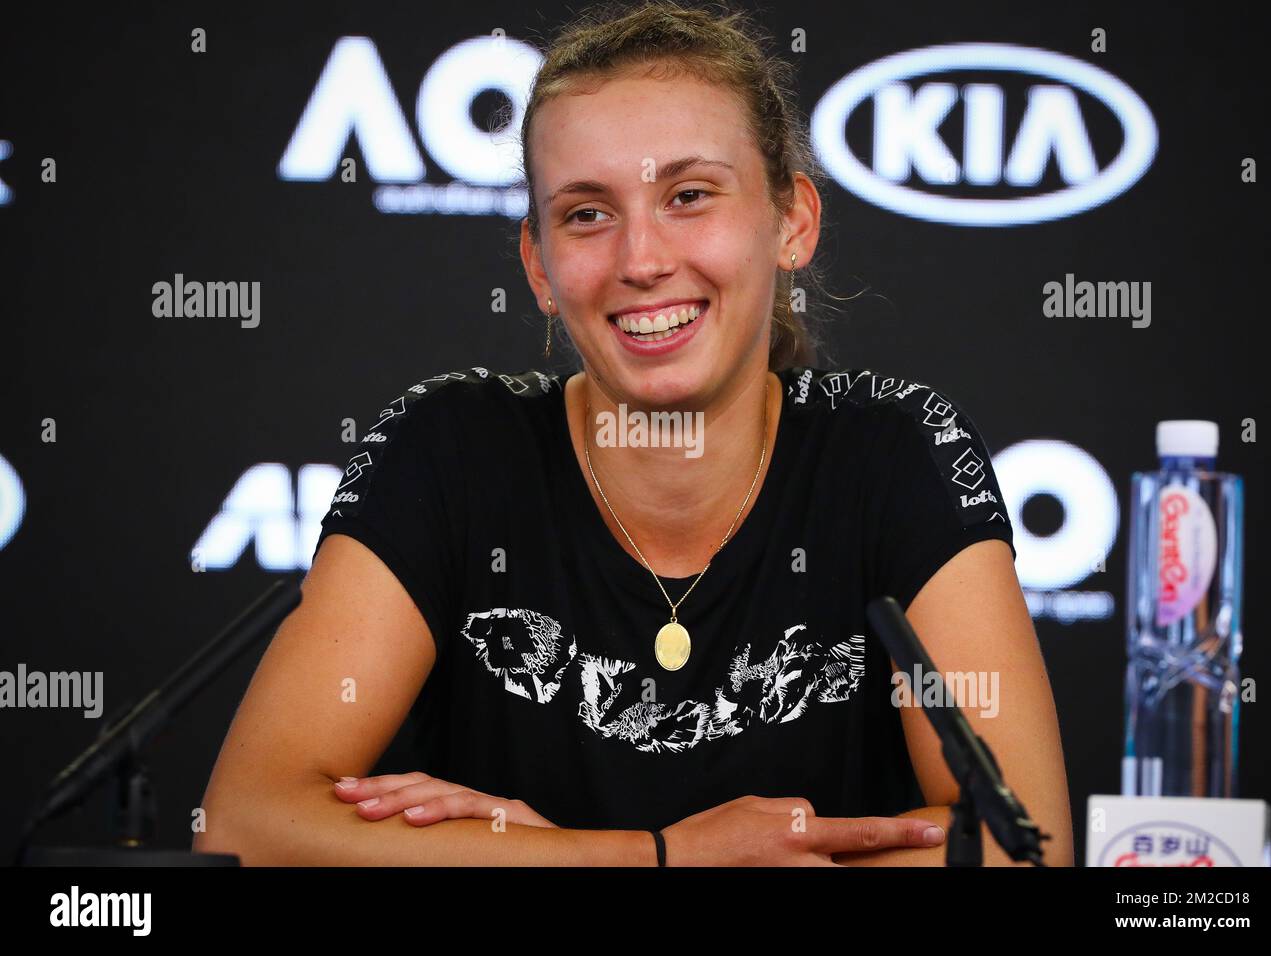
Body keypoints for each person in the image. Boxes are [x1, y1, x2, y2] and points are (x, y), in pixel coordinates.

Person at [193, 0, 1072, 866]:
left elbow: (1022, 850)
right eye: (586, 213)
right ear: (539, 264)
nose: (641, 260)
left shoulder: (895, 451)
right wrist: (648, 858)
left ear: (792, 221)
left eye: (689, 196)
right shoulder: (449, 450)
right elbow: (250, 822)